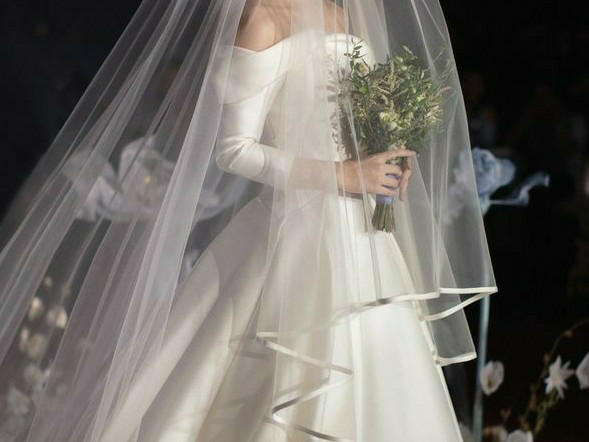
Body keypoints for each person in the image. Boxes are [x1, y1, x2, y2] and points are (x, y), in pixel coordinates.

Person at [0, 0, 497, 440]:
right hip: (293, 234)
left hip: (365, 238)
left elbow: (348, 124)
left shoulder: (344, 15)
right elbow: (234, 150)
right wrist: (345, 174)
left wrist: (383, 165)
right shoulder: (263, 16)